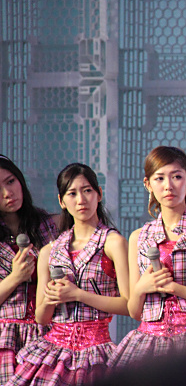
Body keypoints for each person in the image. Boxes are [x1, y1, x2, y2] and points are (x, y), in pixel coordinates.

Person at [8, 163, 129, 385]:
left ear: (99, 194)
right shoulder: (50, 251)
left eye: (87, 190)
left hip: (97, 350)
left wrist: (78, 294)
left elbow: (129, 306)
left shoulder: (113, 242)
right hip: (52, 352)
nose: (81, 200)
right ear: (61, 201)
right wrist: (52, 297)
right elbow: (42, 317)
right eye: (72, 193)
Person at [108, 146, 186, 368]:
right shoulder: (138, 237)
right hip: (149, 342)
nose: (168, 186)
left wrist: (175, 288)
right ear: (147, 184)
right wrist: (142, 287)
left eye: (177, 177)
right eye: (159, 178)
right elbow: (134, 311)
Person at [0, 156, 59, 383]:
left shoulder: (47, 224)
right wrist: (15, 277)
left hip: (51, 332)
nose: (8, 193)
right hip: (6, 337)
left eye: (11, 181)